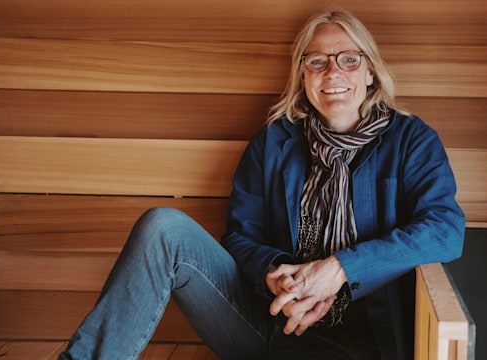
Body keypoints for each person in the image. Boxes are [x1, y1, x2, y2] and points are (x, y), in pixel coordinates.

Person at [58, 8, 464, 360]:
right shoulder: (273, 143)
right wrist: (274, 274)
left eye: (348, 59)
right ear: (302, 75)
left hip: (361, 342)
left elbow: (446, 231)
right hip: (264, 322)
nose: (333, 72)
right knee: (162, 227)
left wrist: (339, 269)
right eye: (317, 61)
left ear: (371, 70)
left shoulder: (411, 140)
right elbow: (239, 239)